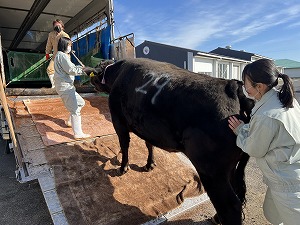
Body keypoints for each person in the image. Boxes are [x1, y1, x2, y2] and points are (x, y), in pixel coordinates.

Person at [228, 59, 300, 225]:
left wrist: (239, 130)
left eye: (246, 83)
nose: (245, 88)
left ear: (259, 86)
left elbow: (255, 149)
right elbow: (267, 133)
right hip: (288, 174)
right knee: (271, 214)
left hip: (289, 183)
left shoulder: (267, 115)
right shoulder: (284, 99)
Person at [54, 37, 90, 139]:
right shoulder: (62, 56)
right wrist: (83, 70)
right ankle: (78, 133)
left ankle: (70, 121)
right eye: (69, 45)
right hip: (65, 87)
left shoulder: (62, 56)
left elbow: (71, 67)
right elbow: (71, 69)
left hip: (67, 86)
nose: (70, 47)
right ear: (64, 45)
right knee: (75, 110)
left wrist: (80, 68)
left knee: (81, 103)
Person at [45, 19, 70, 88]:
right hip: (55, 56)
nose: (57, 26)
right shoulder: (51, 34)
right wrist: (47, 53)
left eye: (59, 25)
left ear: (62, 26)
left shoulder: (65, 35)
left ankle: (67, 85)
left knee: (66, 71)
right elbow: (49, 45)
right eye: (56, 25)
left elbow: (69, 46)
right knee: (50, 69)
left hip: (64, 56)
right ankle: (55, 86)